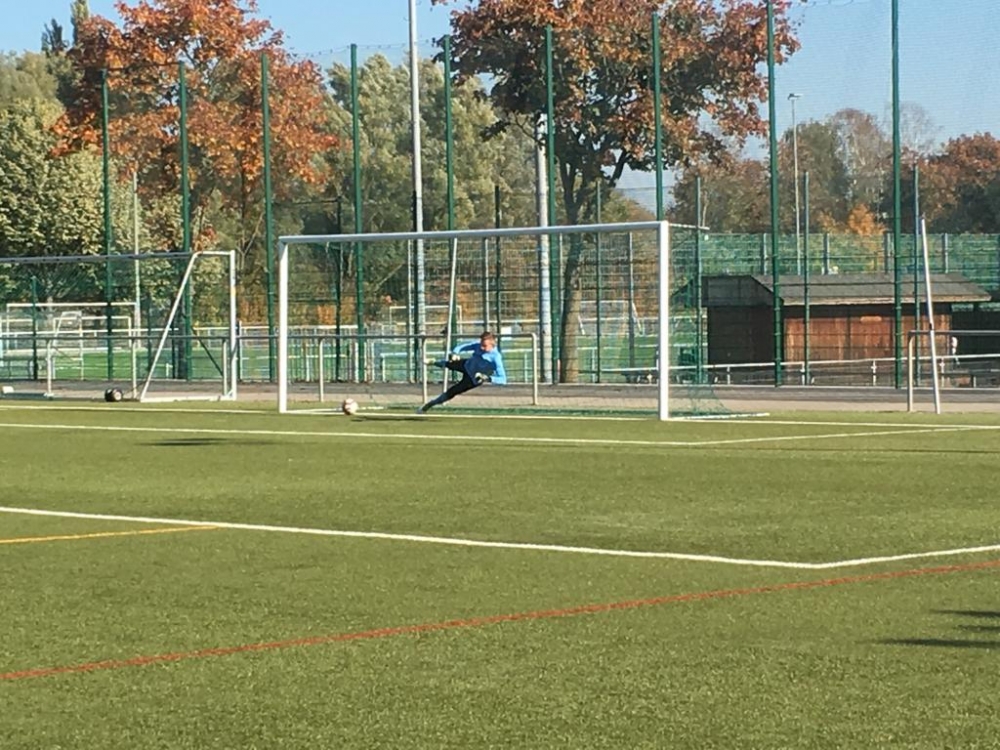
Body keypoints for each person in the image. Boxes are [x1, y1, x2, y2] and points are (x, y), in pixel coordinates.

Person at [417, 331, 507, 413]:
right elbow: (462, 346)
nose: (481, 347)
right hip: (466, 365)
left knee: (452, 392)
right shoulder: (478, 345)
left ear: (492, 344)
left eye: (484, 346)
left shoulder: (496, 358)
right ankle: (433, 362)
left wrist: (488, 378)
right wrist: (455, 353)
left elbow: (503, 379)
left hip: (473, 379)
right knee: (450, 363)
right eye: (481, 344)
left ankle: (429, 405)